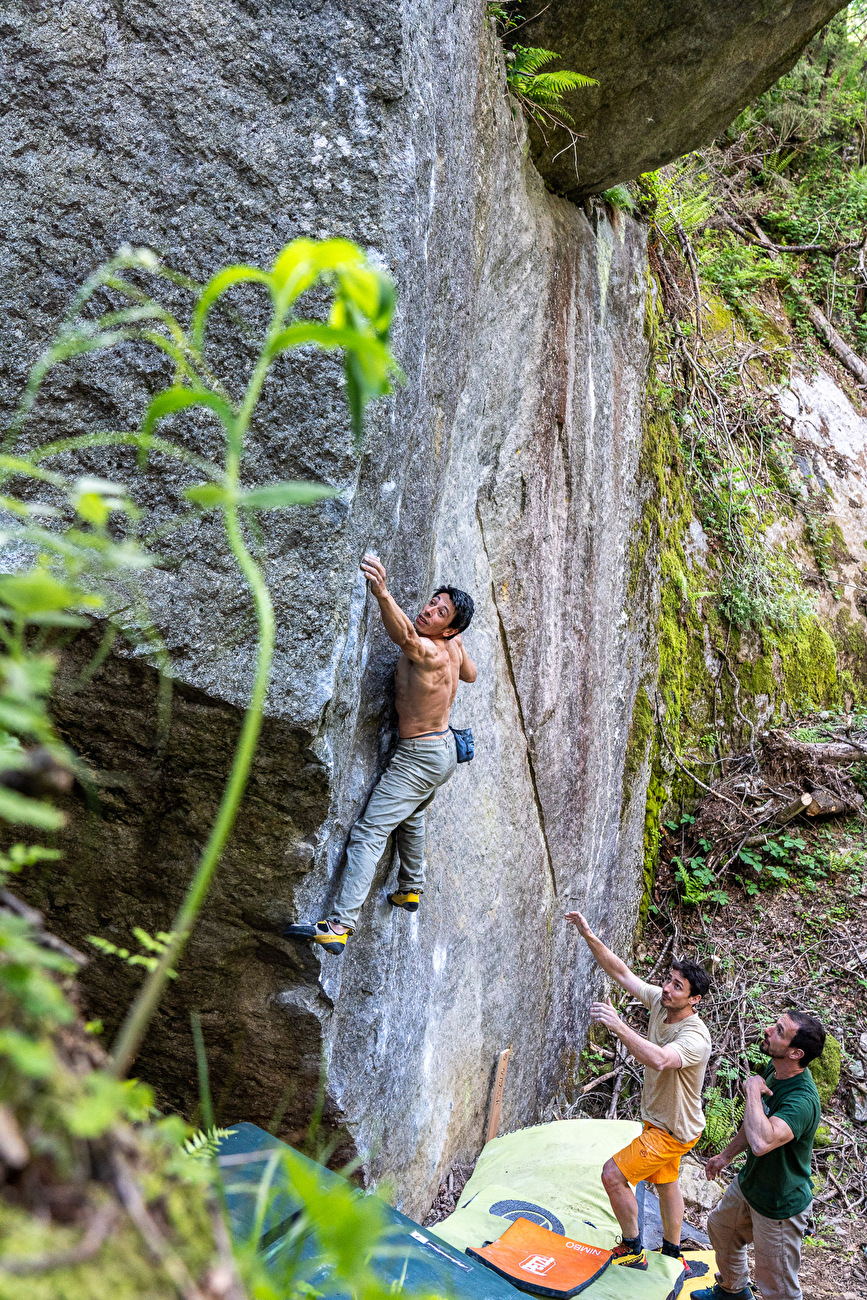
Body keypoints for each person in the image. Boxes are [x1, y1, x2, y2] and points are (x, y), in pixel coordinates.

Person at [286, 554, 476, 956]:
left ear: (451, 626)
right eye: (432, 603)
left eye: (440, 612)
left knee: (370, 831)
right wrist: (455, 635)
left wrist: (382, 593)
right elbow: (471, 674)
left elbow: (406, 639)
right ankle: (410, 889)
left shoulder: (432, 651)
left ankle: (339, 925)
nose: (428, 611)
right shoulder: (454, 646)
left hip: (420, 756)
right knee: (413, 813)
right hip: (441, 752)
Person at [565, 910, 712, 1272]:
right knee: (667, 1184)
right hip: (666, 1123)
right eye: (669, 980)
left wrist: (619, 1026)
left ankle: (632, 1248)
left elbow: (660, 1059)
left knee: (612, 1175)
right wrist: (588, 933)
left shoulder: (695, 1036)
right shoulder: (662, 1004)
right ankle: (673, 1252)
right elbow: (621, 972)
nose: (667, 988)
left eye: (678, 986)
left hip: (671, 1131)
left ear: (694, 1000)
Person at [694, 1010, 825, 1300]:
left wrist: (752, 1089)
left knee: (777, 1287)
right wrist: (726, 1156)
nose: (767, 1030)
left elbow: (762, 1142)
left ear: (796, 1053)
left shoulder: (801, 1101)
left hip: (780, 1205)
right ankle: (733, 1291)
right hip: (750, 1185)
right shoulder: (774, 1067)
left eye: (779, 1031)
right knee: (721, 1231)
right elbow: (755, 1121)